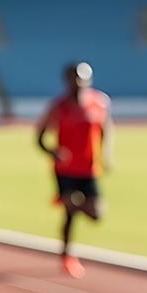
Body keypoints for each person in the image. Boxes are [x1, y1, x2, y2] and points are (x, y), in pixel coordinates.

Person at [36, 61, 113, 279]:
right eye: (75, 78)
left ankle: (64, 200)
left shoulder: (100, 103)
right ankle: (66, 256)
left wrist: (106, 155)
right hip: (65, 169)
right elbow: (39, 136)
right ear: (67, 80)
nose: (79, 82)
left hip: (89, 168)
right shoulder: (57, 107)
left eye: (83, 78)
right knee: (69, 214)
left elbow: (106, 129)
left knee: (96, 214)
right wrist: (51, 151)